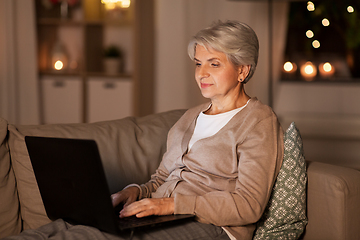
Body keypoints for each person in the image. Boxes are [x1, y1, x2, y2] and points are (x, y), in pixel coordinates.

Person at [4, 20, 283, 240]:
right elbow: (162, 178)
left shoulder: (259, 121)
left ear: (243, 70)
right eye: (198, 63)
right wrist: (135, 192)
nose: (201, 73)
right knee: (62, 227)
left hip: (215, 228)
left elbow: (248, 205)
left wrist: (171, 206)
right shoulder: (189, 118)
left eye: (214, 63)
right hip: (164, 215)